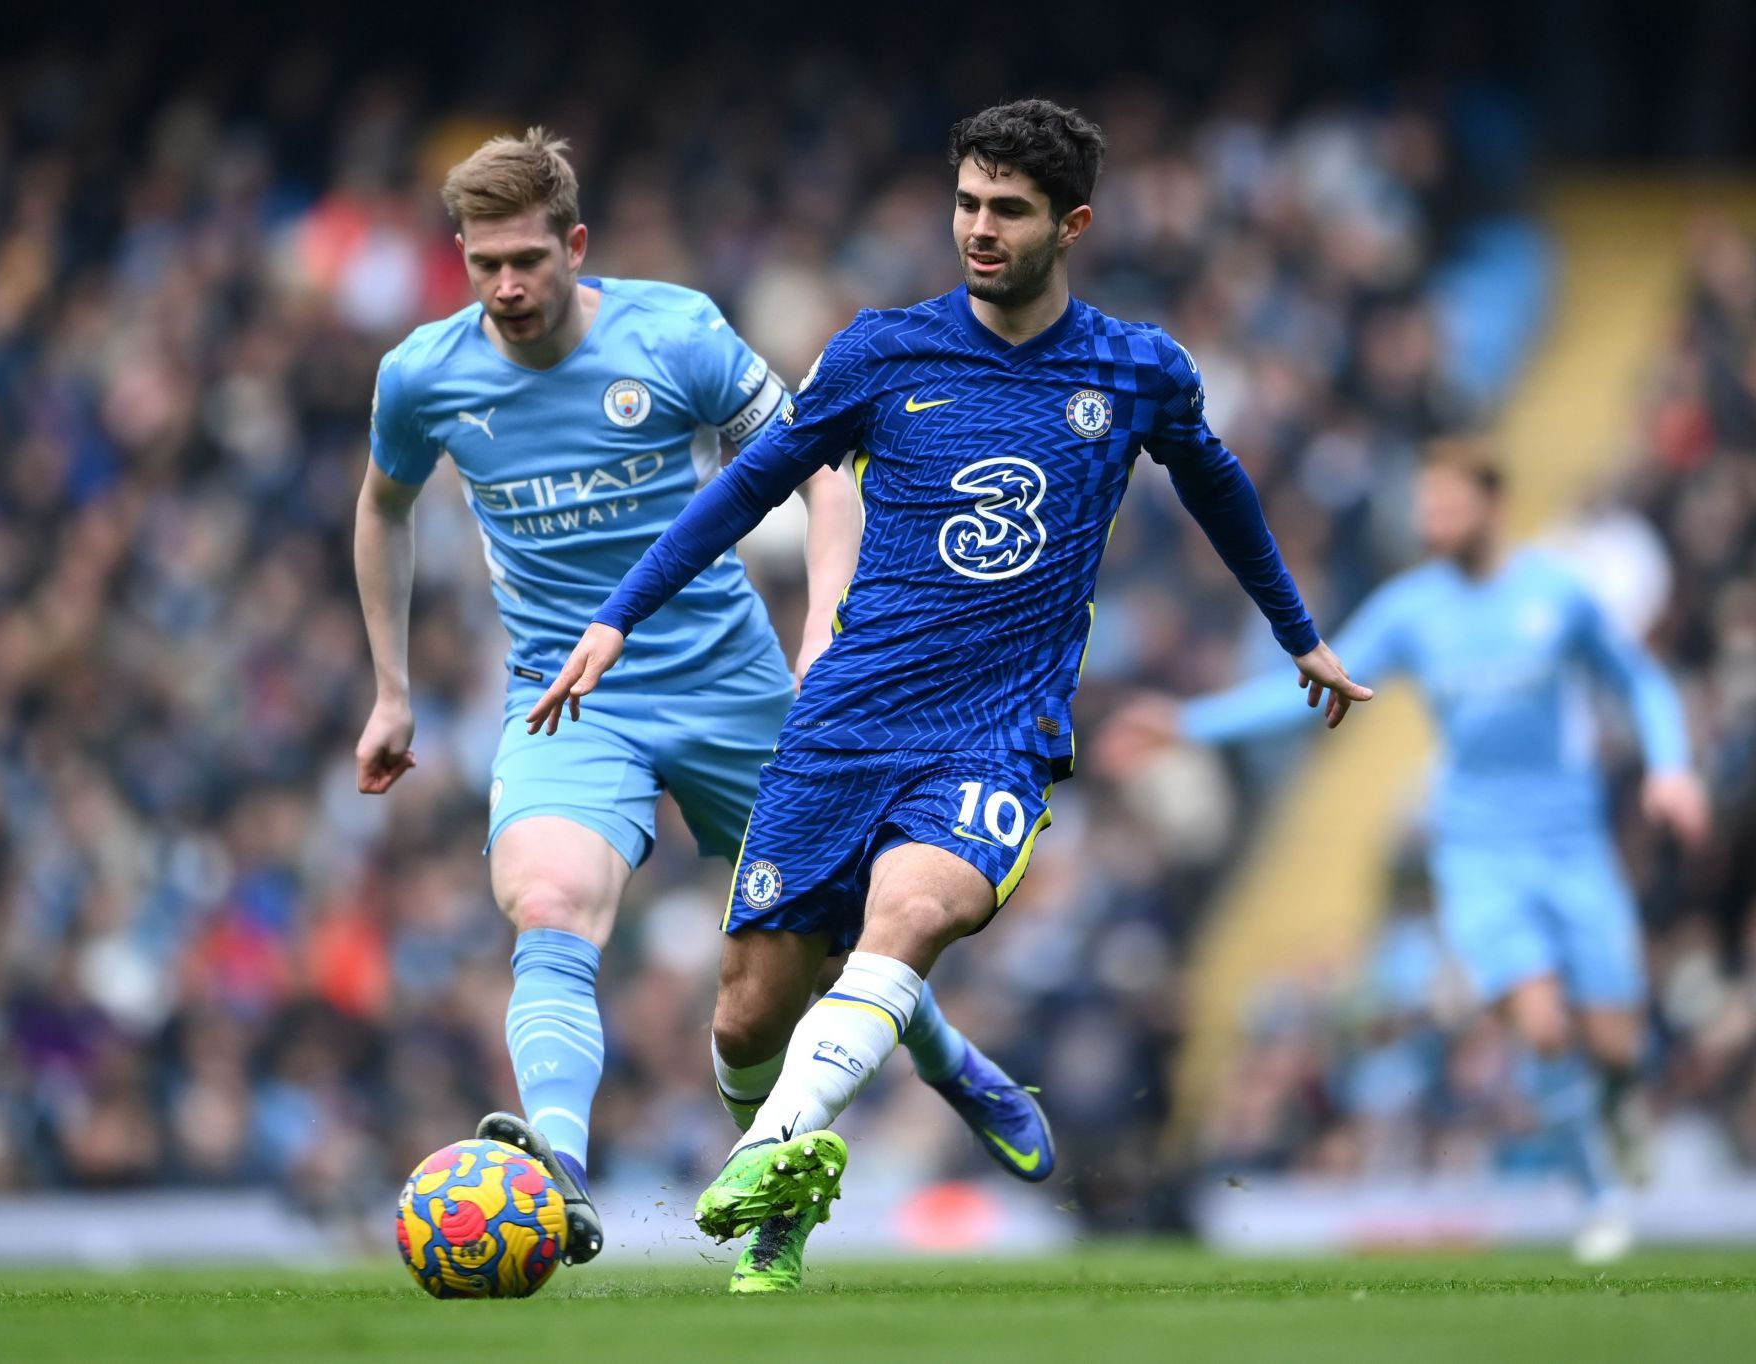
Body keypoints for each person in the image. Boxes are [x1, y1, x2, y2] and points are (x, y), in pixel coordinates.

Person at [525, 100, 1368, 1285]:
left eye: (1008, 210)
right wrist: (619, 614)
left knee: (909, 917)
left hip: (996, 729)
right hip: (846, 719)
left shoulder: (1135, 369)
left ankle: (767, 1155)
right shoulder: (881, 350)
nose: (978, 227)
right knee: (744, 1020)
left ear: (1071, 224)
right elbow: (748, 485)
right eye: (967, 201)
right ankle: (832, 1148)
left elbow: (1219, 485)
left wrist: (1299, 635)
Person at [352, 129, 1042, 1274]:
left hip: (732, 687)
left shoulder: (674, 334)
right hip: (566, 697)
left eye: (528, 258)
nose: (508, 287)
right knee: (549, 901)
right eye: (485, 266)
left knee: (844, 943)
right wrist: (392, 687)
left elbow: (823, 464)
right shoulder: (423, 375)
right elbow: (382, 507)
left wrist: (825, 628)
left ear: (576, 246)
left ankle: (951, 1058)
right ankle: (560, 1169)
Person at [1104, 443, 1710, 1263]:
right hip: (1476, 849)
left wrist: (1671, 769)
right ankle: (1601, 1199)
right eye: (1425, 508)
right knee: (1539, 1025)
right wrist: (1187, 723)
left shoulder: (1557, 595)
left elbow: (1639, 681)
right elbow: (1311, 685)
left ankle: (1611, 1110)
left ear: (1492, 505)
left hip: (1573, 844)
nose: (1432, 521)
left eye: (1447, 506)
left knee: (1616, 1045)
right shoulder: (1412, 609)